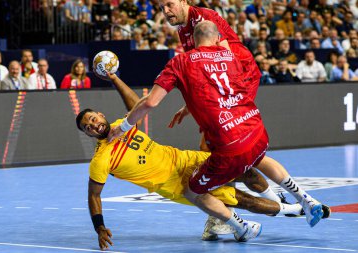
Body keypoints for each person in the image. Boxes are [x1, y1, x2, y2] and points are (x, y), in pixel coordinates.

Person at [108, 21, 326, 236]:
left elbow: (150, 102)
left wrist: (124, 127)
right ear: (218, 39)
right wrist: (189, 107)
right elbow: (219, 86)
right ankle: (305, 199)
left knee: (192, 191)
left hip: (229, 146)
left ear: (192, 40)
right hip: (257, 132)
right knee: (259, 159)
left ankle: (242, 228)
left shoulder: (180, 62)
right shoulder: (229, 54)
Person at [77, 71, 306, 250]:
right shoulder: (101, 159)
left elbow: (136, 104)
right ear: (88, 134)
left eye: (93, 118)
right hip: (176, 184)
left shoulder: (121, 126)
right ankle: (294, 210)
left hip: (186, 158)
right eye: (87, 127)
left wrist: (114, 78)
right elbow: (94, 195)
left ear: (101, 115)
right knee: (242, 200)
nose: (93, 125)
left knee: (244, 169)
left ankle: (275, 202)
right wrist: (99, 227)